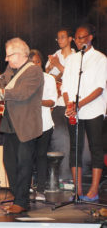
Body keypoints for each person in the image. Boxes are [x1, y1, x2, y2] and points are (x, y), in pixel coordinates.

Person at [0, 38, 44, 213]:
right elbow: (0, 82)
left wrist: (0, 92)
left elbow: (21, 93)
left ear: (20, 54)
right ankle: (18, 196)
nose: (6, 59)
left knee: (24, 163)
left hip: (26, 125)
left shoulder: (34, 71)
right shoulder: (10, 69)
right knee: (9, 162)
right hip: (9, 125)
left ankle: (21, 201)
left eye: (9, 55)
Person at [62, 24, 107, 201]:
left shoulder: (100, 59)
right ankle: (77, 190)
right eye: (77, 38)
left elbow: (99, 88)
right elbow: (65, 86)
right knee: (75, 149)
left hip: (94, 109)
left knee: (96, 148)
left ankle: (94, 190)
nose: (80, 40)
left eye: (83, 37)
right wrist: (69, 105)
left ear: (90, 38)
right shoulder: (72, 59)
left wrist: (79, 105)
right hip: (74, 110)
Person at [45, 27, 76, 180]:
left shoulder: (75, 56)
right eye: (58, 38)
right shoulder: (55, 55)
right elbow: (46, 76)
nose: (60, 40)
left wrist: (57, 65)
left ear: (70, 39)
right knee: (60, 137)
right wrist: (50, 67)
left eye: (63, 37)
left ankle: (74, 176)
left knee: (75, 141)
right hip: (57, 103)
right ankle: (63, 176)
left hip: (72, 102)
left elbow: (72, 76)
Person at [29, 49, 57, 201]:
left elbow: (52, 101)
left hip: (45, 124)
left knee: (40, 156)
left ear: (41, 63)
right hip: (27, 125)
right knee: (27, 156)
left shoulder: (49, 79)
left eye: (37, 62)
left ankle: (40, 189)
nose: (35, 65)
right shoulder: (23, 80)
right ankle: (25, 186)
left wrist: (37, 101)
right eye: (31, 63)